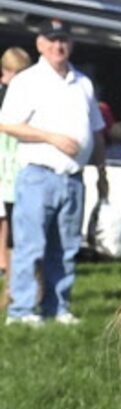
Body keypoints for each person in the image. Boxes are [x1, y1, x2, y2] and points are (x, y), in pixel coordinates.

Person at [0, 18, 107, 325]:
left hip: (73, 178)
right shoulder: (28, 81)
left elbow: (97, 132)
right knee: (30, 245)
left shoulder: (83, 83)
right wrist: (52, 138)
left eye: (63, 40)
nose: (58, 46)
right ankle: (21, 310)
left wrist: (101, 172)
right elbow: (8, 124)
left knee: (66, 247)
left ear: (70, 44)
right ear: (40, 45)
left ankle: (57, 306)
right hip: (38, 175)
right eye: (52, 40)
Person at [0, 45, 31, 307]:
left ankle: (18, 288)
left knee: (21, 234)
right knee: (10, 234)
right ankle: (10, 288)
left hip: (20, 173)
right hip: (6, 172)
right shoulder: (5, 95)